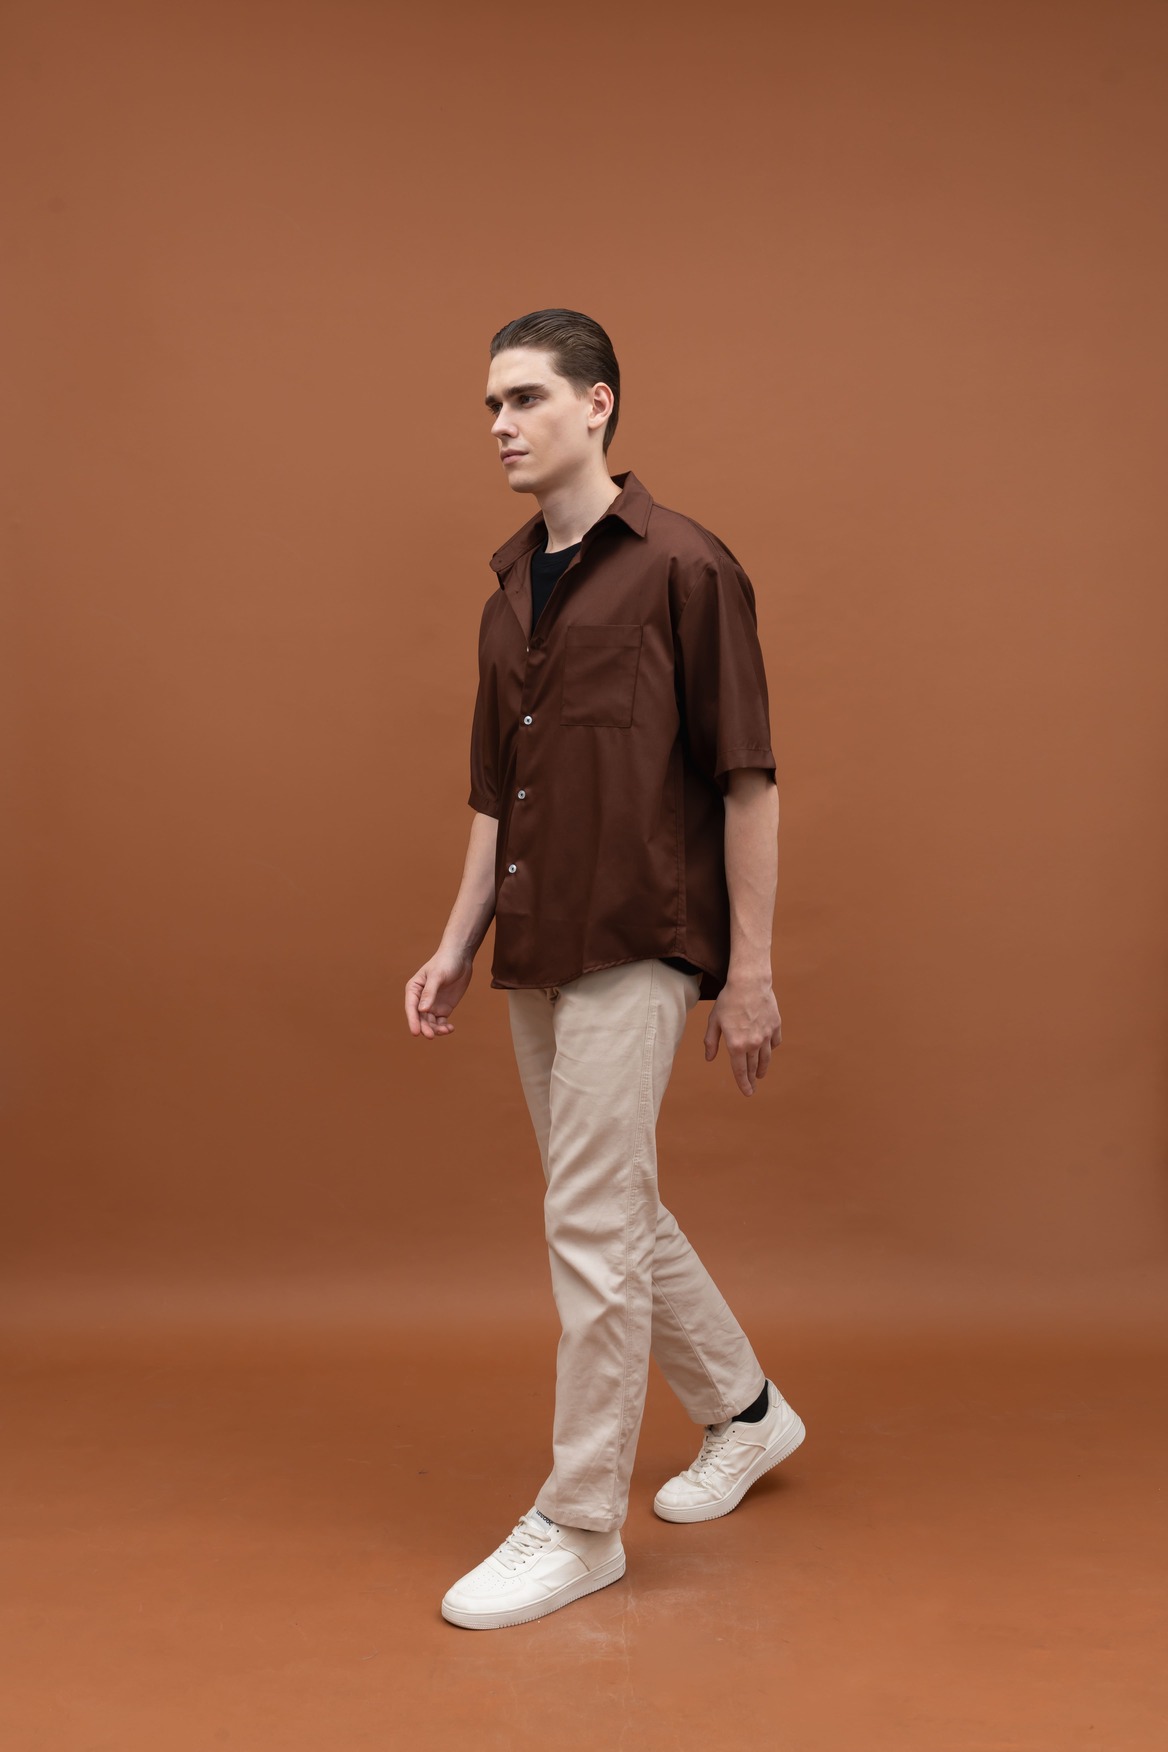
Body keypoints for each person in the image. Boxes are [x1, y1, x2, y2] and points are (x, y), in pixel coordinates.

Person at [405, 308, 805, 1631]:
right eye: (490, 404)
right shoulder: (507, 595)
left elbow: (748, 779)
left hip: (642, 935)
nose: (501, 424)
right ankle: (746, 1409)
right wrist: (457, 942)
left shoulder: (688, 566)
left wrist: (751, 970)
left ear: (598, 404)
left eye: (525, 397)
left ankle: (581, 1525)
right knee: (607, 1204)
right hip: (539, 937)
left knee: (589, 1219)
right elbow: (496, 796)